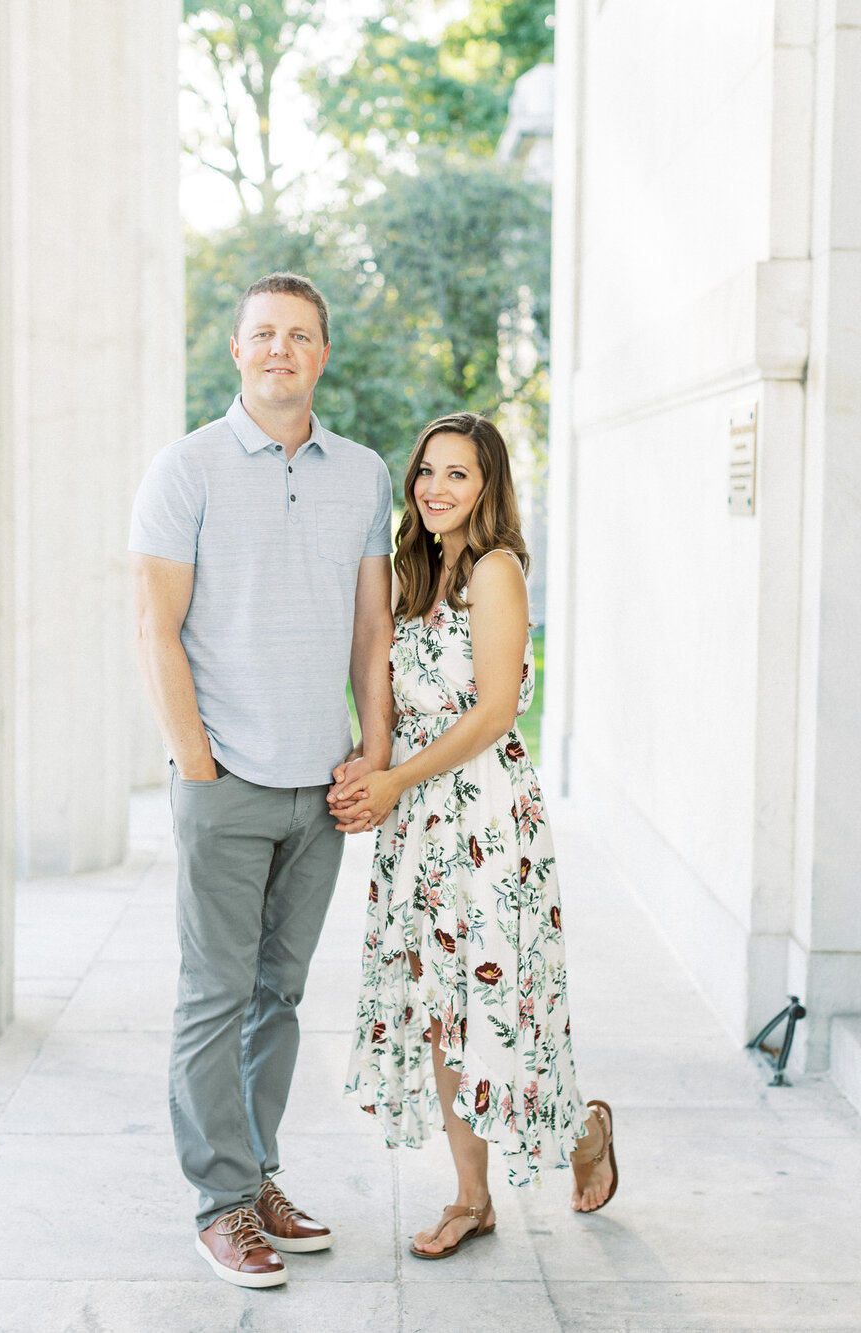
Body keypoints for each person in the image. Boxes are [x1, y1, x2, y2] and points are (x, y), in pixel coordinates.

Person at [128, 272, 394, 1288]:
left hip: (320, 781)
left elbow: (371, 623)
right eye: (264, 334)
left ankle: (257, 1173)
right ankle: (219, 1203)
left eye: (301, 335)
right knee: (214, 993)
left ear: (322, 354)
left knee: (276, 997)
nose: (281, 348)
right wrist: (198, 763)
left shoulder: (363, 473)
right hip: (226, 774)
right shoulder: (186, 468)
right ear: (236, 351)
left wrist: (370, 749)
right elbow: (154, 624)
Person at [329, 412, 617, 1259]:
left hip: (488, 820)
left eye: (458, 473)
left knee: (504, 1008)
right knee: (438, 1008)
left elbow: (496, 712)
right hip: (418, 824)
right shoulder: (414, 572)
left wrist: (393, 781)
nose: (435, 487)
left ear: (488, 485)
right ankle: (470, 1197)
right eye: (427, 470)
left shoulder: (496, 571)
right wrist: (368, 767)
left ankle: (583, 1132)